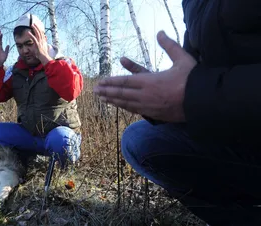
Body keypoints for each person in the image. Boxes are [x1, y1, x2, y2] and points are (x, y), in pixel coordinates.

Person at [94, 1, 261, 225]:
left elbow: (198, 90)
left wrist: (196, 96)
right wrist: (160, 103)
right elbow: (194, 70)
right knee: (140, 140)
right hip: (235, 133)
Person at [0, 13, 83, 170]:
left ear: (42, 40)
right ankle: (30, 158)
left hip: (59, 135)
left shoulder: (63, 62)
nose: (24, 50)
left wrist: (46, 60)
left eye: (29, 43)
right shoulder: (17, 70)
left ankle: (66, 169)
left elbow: (71, 90)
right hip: (30, 136)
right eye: (19, 46)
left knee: (61, 141)